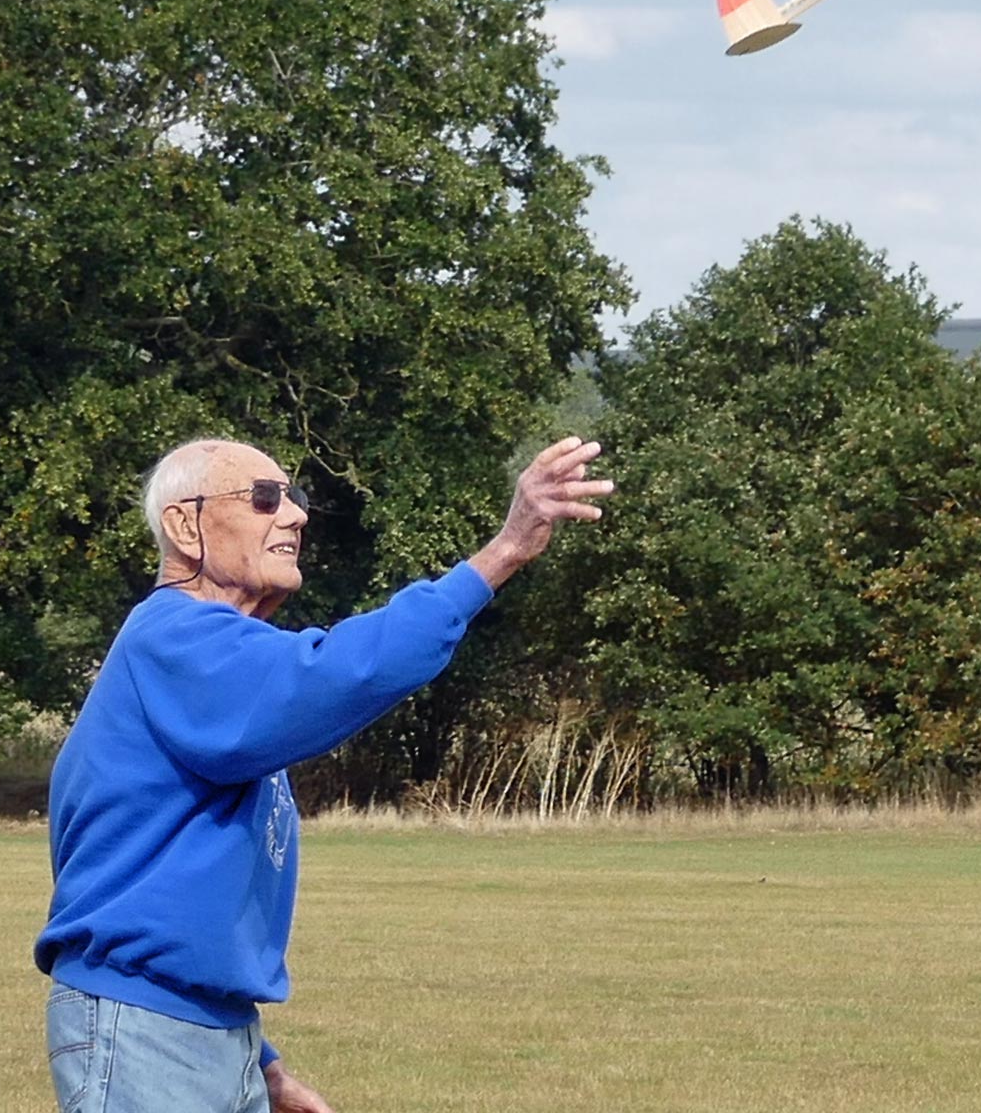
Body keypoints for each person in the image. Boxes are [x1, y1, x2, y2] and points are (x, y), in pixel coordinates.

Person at [34, 433, 613, 1113]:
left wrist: (262, 1066)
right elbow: (337, 672)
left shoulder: (216, 674)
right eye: (264, 498)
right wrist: (503, 552)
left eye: (296, 498)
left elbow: (161, 890)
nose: (295, 515)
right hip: (145, 1028)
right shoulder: (174, 638)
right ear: (183, 525)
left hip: (210, 1029)